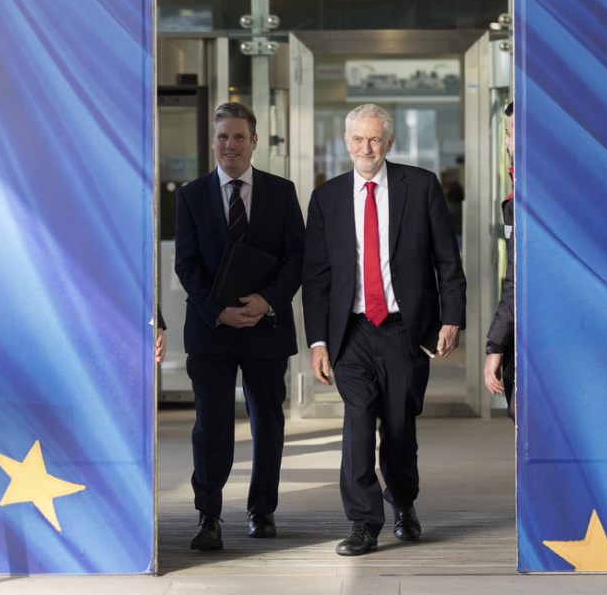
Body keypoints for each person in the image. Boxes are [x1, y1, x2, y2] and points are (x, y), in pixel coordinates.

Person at [302, 102, 467, 556]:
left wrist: (451, 317)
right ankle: (362, 522)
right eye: (357, 139)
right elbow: (316, 276)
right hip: (351, 332)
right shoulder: (327, 198)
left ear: (389, 142)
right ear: (345, 143)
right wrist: (317, 341)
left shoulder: (421, 186)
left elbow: (446, 261)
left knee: (398, 428)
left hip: (402, 329)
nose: (366, 147)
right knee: (358, 423)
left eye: (374, 139)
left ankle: (404, 501)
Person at [173, 101, 306, 551]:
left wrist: (268, 300)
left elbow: (297, 257)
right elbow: (186, 266)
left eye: (239, 136)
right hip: (211, 332)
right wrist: (218, 311)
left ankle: (261, 510)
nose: (230, 144)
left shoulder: (282, 192)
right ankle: (208, 516)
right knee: (211, 426)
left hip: (266, 328)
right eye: (222, 136)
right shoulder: (191, 196)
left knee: (267, 422)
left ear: (254, 141)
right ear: (213, 142)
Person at [484, 101, 516, 420]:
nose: (507, 143)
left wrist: (495, 345)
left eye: (511, 134)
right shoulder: (515, 193)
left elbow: (518, 279)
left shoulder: (530, 197)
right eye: (506, 134)